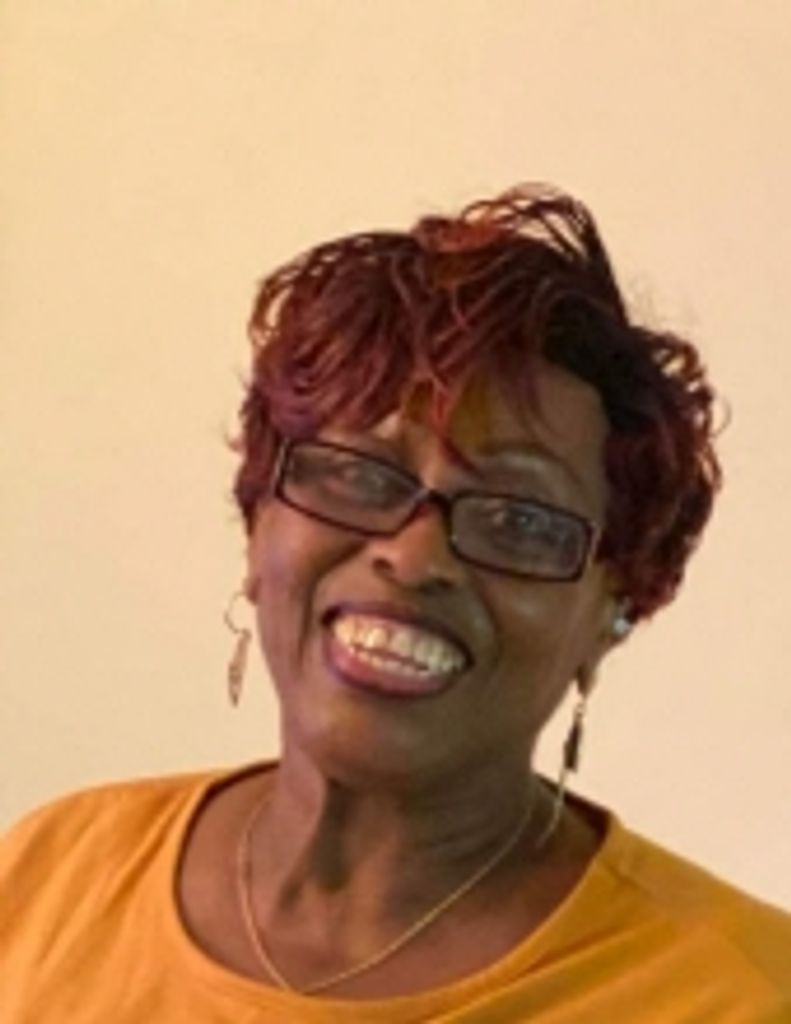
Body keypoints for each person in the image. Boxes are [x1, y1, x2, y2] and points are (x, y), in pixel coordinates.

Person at [1, 184, 789, 1023]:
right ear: (256, 522)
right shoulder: (49, 878)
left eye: (519, 519)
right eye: (356, 474)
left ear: (618, 604)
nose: (413, 559)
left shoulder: (740, 994)